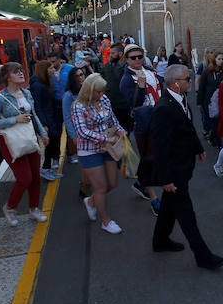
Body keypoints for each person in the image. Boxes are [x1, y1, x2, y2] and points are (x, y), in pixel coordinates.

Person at [151, 64, 223, 270]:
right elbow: (160, 147)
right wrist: (165, 179)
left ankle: (160, 240)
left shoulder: (180, 100)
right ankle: (203, 256)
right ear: (176, 83)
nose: (191, 82)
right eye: (187, 79)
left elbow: (188, 128)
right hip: (174, 172)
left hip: (184, 165)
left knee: (168, 206)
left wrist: (198, 147)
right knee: (186, 213)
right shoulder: (163, 109)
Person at [0, 63, 50, 226]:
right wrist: (14, 120)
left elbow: (33, 115)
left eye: (21, 70)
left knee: (35, 177)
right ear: (7, 77)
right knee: (24, 178)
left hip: (30, 137)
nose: (21, 73)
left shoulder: (26, 93)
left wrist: (42, 133)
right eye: (16, 72)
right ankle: (10, 207)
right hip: (12, 143)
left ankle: (34, 209)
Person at [72, 74, 125, 234]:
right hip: (89, 150)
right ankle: (106, 221)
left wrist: (120, 129)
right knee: (101, 186)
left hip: (108, 147)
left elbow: (111, 119)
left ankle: (91, 201)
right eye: (98, 92)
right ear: (89, 90)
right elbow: (81, 131)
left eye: (102, 91)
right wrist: (104, 139)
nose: (101, 95)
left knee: (112, 183)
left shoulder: (104, 99)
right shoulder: (78, 106)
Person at [119, 43, 161, 216]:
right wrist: (141, 86)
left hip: (159, 119)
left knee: (156, 157)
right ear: (126, 59)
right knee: (149, 158)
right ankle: (154, 199)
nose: (137, 60)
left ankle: (141, 183)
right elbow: (134, 103)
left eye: (140, 56)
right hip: (144, 123)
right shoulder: (126, 79)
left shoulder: (151, 71)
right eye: (133, 57)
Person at [30, 61, 60, 180]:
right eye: (51, 68)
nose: (53, 70)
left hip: (51, 116)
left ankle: (47, 168)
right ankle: (45, 168)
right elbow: (37, 106)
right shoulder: (37, 86)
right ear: (45, 70)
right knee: (50, 143)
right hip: (46, 119)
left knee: (53, 142)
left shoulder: (45, 82)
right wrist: (43, 124)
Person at [101, 42, 133, 133]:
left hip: (126, 106)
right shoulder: (107, 66)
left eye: (112, 53)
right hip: (111, 105)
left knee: (126, 131)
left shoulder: (129, 67)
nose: (110, 55)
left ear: (120, 54)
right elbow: (101, 80)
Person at [197, 51, 223, 148]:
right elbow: (202, 87)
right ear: (214, 60)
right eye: (219, 59)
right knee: (213, 121)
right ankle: (217, 141)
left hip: (221, 100)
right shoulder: (207, 72)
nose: (221, 61)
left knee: (217, 121)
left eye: (222, 59)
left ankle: (215, 139)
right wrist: (199, 102)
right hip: (209, 101)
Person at [63, 66, 86, 168]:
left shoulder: (89, 89)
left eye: (81, 75)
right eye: (76, 76)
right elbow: (67, 117)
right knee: (86, 161)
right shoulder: (68, 95)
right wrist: (73, 136)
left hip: (93, 129)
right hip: (79, 131)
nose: (80, 78)